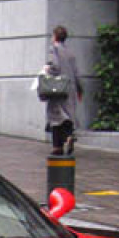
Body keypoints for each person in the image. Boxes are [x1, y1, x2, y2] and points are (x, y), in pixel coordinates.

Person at [44, 25, 82, 154]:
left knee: (56, 116)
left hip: (57, 87)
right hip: (69, 88)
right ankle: (69, 136)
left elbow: (54, 65)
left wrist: (47, 70)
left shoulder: (53, 49)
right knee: (67, 116)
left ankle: (58, 145)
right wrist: (79, 88)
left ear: (55, 36)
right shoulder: (70, 52)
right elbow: (76, 73)